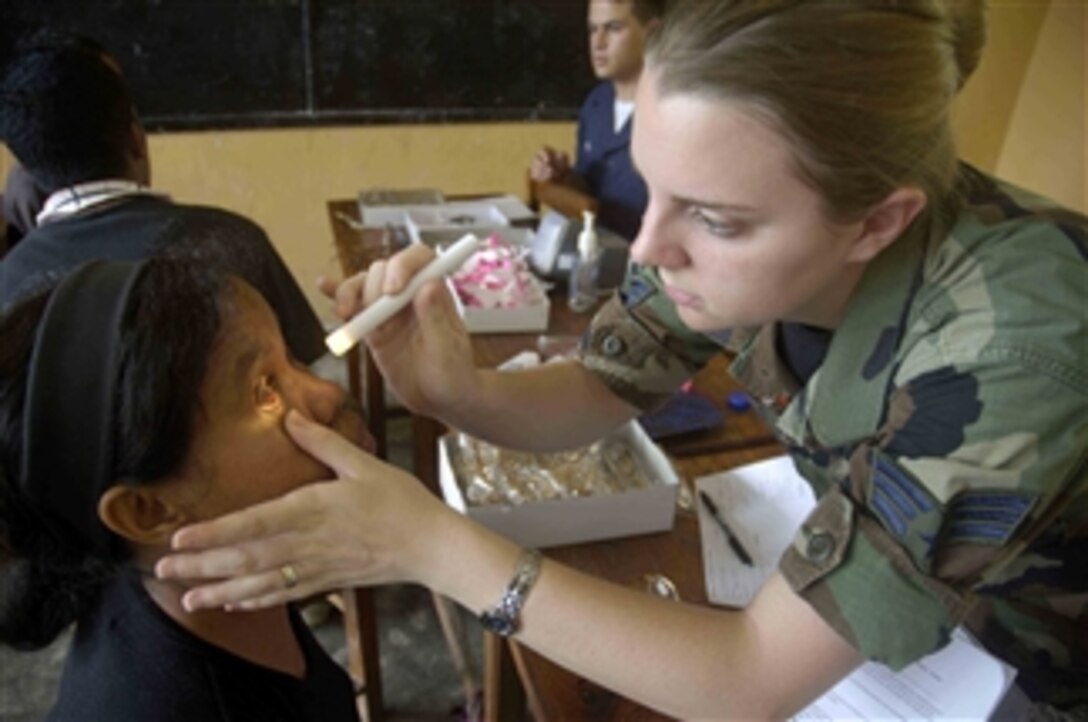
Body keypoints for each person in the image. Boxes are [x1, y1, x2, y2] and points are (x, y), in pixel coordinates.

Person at [157, 2, 1087, 717]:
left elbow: (748, 682)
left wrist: (431, 544)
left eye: (715, 220)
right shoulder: (732, 226)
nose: (648, 251)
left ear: (879, 222)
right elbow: (601, 385)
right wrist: (454, 389)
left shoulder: (1009, 354)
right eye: (656, 191)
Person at [0, 257, 371, 720]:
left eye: (292, 359)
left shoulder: (227, 587)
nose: (327, 395)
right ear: (147, 511)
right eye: (266, 392)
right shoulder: (164, 703)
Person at [0, 28, 326, 364]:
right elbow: (318, 385)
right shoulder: (234, 243)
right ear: (136, 139)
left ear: (27, 167)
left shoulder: (11, 286)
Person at [529, 0, 665, 241]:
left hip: (649, 265)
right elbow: (590, 191)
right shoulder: (596, 103)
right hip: (596, 256)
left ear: (652, 33)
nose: (598, 43)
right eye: (593, 29)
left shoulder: (674, 109)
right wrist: (563, 177)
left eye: (613, 28)